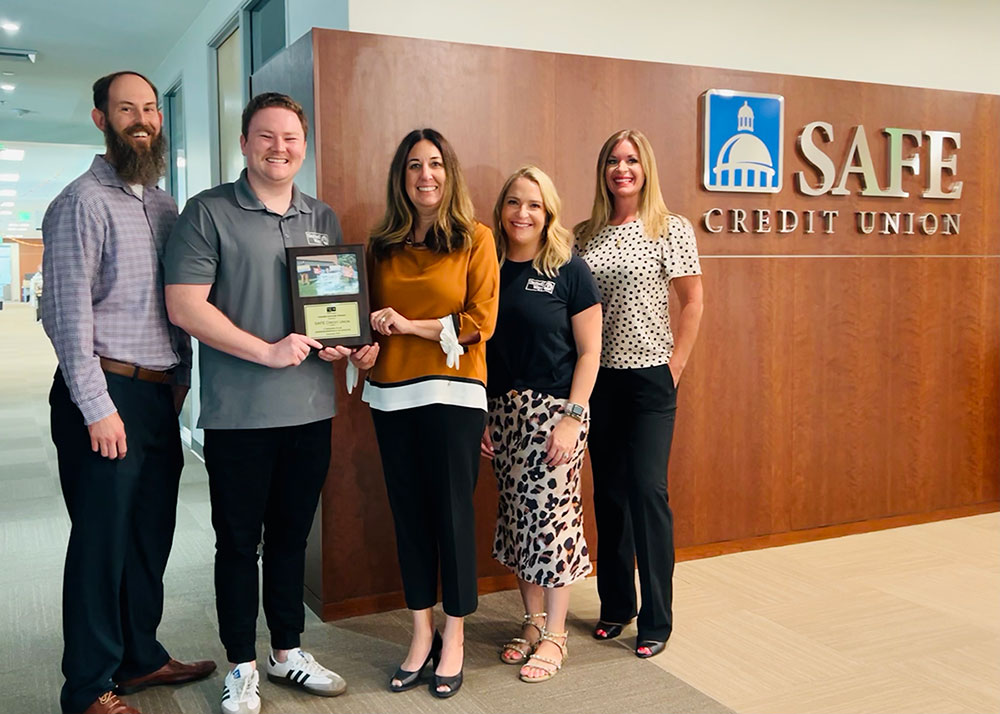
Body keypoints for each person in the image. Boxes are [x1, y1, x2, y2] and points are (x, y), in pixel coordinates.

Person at [163, 92, 377, 714]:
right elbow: (185, 306)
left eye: (290, 137)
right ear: (244, 143)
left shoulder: (322, 217)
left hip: (311, 410)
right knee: (238, 543)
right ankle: (242, 664)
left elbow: (332, 301)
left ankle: (287, 652)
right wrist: (267, 351)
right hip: (240, 413)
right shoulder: (208, 213)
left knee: (291, 537)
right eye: (266, 136)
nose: (279, 148)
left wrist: (340, 342)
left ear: (303, 144)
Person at [40, 70, 215, 714]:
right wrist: (98, 407)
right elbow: (66, 316)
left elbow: (179, 306)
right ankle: (87, 686)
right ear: (100, 119)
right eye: (125, 109)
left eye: (149, 109)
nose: (141, 119)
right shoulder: (79, 202)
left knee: (150, 534)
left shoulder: (166, 206)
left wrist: (181, 381)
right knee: (100, 540)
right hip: (103, 394)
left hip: (156, 395)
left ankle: (139, 655)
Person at [363, 128, 498, 698]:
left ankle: (455, 636)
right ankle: (420, 633)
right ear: (402, 176)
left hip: (455, 395)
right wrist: (365, 341)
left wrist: (411, 326)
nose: (426, 175)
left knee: (450, 516)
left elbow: (480, 322)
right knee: (409, 516)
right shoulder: (380, 244)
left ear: (450, 172)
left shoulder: (476, 239)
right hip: (392, 394)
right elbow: (365, 315)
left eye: (436, 164)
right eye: (415, 165)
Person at [575, 129, 704, 659]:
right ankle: (616, 606)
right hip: (599, 379)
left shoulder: (669, 228)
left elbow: (693, 302)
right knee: (609, 494)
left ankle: (657, 619)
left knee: (648, 493)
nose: (621, 168)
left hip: (651, 379)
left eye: (631, 160)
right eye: (612, 160)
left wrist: (675, 366)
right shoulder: (584, 234)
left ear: (645, 167)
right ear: (603, 170)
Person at [481, 166, 602, 682]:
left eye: (533, 204)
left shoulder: (568, 268)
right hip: (501, 414)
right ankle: (531, 622)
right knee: (518, 521)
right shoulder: (487, 265)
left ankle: (555, 635)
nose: (522, 213)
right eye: (513, 202)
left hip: (555, 414)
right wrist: (483, 413)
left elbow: (591, 350)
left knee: (553, 521)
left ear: (548, 210)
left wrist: (572, 418)